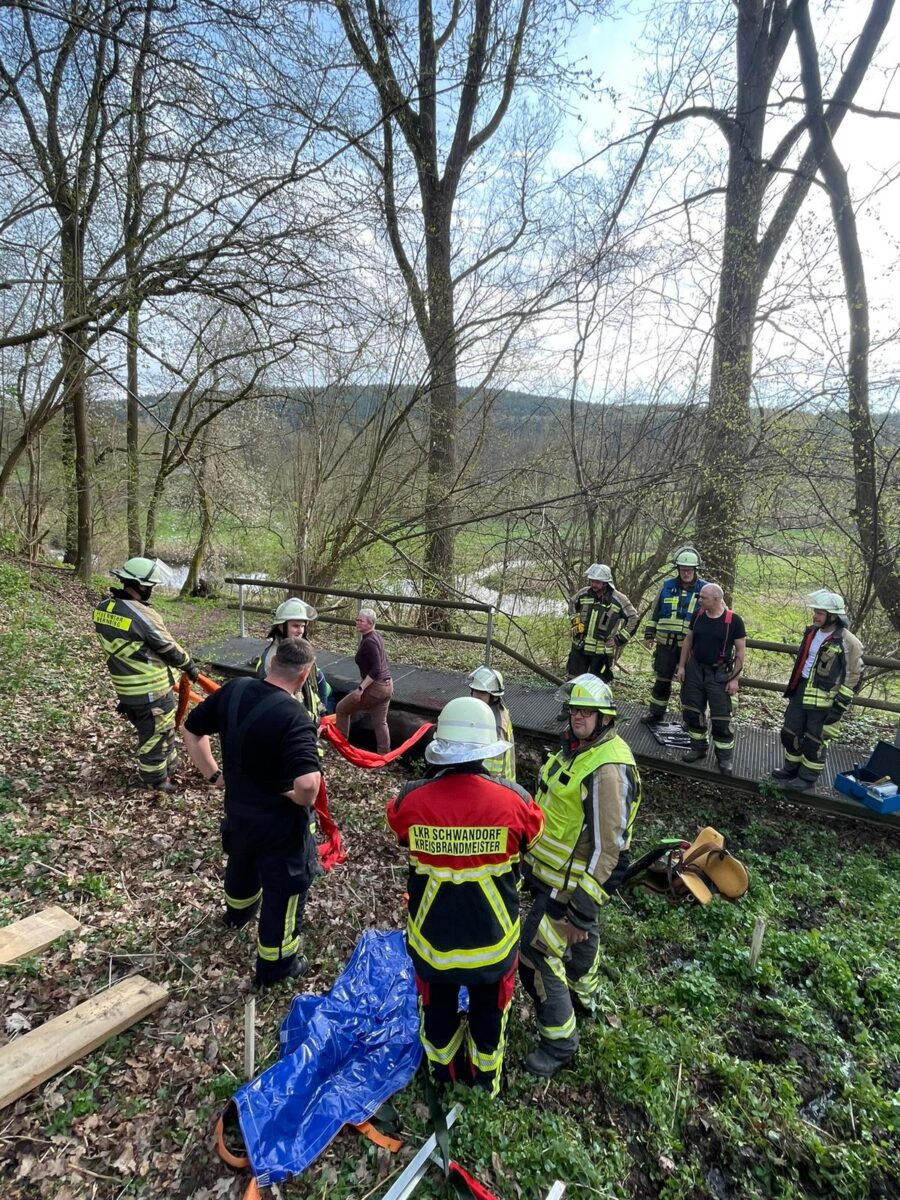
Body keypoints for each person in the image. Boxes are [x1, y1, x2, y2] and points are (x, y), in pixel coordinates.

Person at [386, 697, 544, 1095]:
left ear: (441, 746)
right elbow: (533, 838)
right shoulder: (517, 802)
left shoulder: (410, 800)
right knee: (489, 1016)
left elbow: (399, 827)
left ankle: (443, 1076)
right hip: (492, 946)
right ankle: (484, 1083)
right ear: (488, 749)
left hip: (433, 945)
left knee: (436, 1014)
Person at [520, 674, 640, 1078]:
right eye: (574, 710)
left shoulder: (607, 769)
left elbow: (609, 850)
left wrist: (582, 911)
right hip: (551, 875)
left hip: (570, 888)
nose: (578, 717)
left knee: (534, 955)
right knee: (580, 945)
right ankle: (585, 998)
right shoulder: (577, 751)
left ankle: (559, 1044)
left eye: (587, 712)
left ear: (605, 718)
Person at [182, 640, 322, 987]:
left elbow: (191, 729)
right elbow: (308, 785)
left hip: (238, 811)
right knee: (286, 887)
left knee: (242, 861)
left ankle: (238, 913)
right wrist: (294, 796)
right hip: (279, 825)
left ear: (272, 663)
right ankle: (278, 964)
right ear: (304, 675)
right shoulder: (295, 717)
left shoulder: (235, 689)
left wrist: (214, 775)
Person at [92, 557, 199, 793]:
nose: (152, 590)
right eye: (150, 586)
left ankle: (170, 766)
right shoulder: (142, 615)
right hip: (152, 691)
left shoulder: (102, 609)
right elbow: (168, 648)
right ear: (141, 585)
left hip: (127, 689)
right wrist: (190, 666)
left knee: (158, 729)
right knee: (155, 737)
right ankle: (156, 780)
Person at [772, 590, 863, 791]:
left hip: (824, 700)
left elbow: (854, 675)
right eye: (815, 611)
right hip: (801, 689)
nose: (815, 616)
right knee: (790, 732)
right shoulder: (811, 632)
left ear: (833, 616)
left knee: (814, 740)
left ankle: (807, 777)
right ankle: (791, 768)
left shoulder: (848, 641)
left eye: (820, 613)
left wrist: (839, 706)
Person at [675, 583, 747, 777]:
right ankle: (698, 748)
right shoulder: (698, 615)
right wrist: (682, 666)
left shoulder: (734, 621)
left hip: (719, 673)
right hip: (695, 670)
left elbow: (740, 652)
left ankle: (724, 757)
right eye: (700, 597)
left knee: (721, 717)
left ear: (716, 599)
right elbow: (688, 640)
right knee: (692, 711)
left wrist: (735, 679)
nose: (700, 600)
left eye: (703, 598)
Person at [641, 546, 707, 724]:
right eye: (683, 569)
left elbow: (718, 613)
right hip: (666, 644)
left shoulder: (705, 589)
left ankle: (691, 720)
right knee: (662, 680)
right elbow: (655, 611)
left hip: (692, 647)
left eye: (690, 570)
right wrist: (649, 633)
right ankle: (656, 713)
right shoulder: (666, 586)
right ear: (677, 569)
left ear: (696, 570)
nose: (686, 573)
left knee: (690, 684)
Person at [256, 596, 333, 726]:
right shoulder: (272, 660)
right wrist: (313, 721)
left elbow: (310, 688)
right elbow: (283, 702)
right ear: (281, 626)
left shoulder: (299, 652)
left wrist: (321, 710)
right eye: (296, 626)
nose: (300, 631)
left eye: (303, 626)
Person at [334, 607, 393, 755]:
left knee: (342, 709)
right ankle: (384, 755)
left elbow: (376, 669)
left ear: (370, 623)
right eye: (357, 620)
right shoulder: (376, 636)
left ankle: (340, 747)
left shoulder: (370, 642)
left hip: (377, 688)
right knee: (380, 722)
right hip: (387, 686)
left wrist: (360, 689)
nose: (357, 622)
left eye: (361, 621)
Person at [567, 564, 639, 682]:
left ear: (606, 582)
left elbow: (634, 618)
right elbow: (572, 603)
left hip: (601, 652)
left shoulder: (619, 599)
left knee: (596, 685)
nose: (593, 584)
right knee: (573, 681)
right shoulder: (583, 593)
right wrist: (575, 620)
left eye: (597, 582)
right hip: (579, 648)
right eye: (592, 581)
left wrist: (619, 639)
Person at [467, 665, 516, 780]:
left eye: (483, 692)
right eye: (476, 691)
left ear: (493, 696)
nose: (477, 696)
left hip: (495, 782)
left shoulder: (494, 725)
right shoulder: (493, 710)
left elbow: (492, 769)